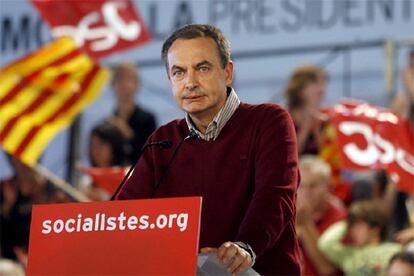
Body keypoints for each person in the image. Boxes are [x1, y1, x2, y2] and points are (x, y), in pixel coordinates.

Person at [117, 24, 301, 274]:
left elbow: (275, 196)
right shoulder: (163, 140)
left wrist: (245, 247)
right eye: (179, 72)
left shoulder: (269, 121)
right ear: (170, 80)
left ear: (227, 73)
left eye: (202, 68)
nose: (190, 83)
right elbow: (125, 214)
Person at [318, 200, 402, 275]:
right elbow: (326, 243)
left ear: (375, 229)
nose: (352, 232)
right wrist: (346, 223)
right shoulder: (348, 253)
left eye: (358, 227)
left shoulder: (394, 250)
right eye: (351, 227)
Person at [297, 155, 346, 275]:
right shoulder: (286, 213)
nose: (306, 192)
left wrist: (305, 224)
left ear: (328, 188)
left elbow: (328, 270)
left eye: (313, 186)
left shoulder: (341, 221)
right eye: (301, 186)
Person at [108, 62, 157, 164]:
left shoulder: (147, 119)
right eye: (119, 78)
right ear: (112, 84)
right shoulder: (109, 122)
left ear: (137, 85)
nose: (124, 84)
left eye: (129, 79)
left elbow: (151, 156)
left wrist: (129, 135)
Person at [284, 64, 328, 155]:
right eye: (315, 83)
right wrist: (305, 130)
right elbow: (287, 157)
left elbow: (330, 158)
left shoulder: (327, 119)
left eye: (323, 83)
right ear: (300, 89)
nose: (321, 89)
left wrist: (317, 131)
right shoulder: (285, 121)